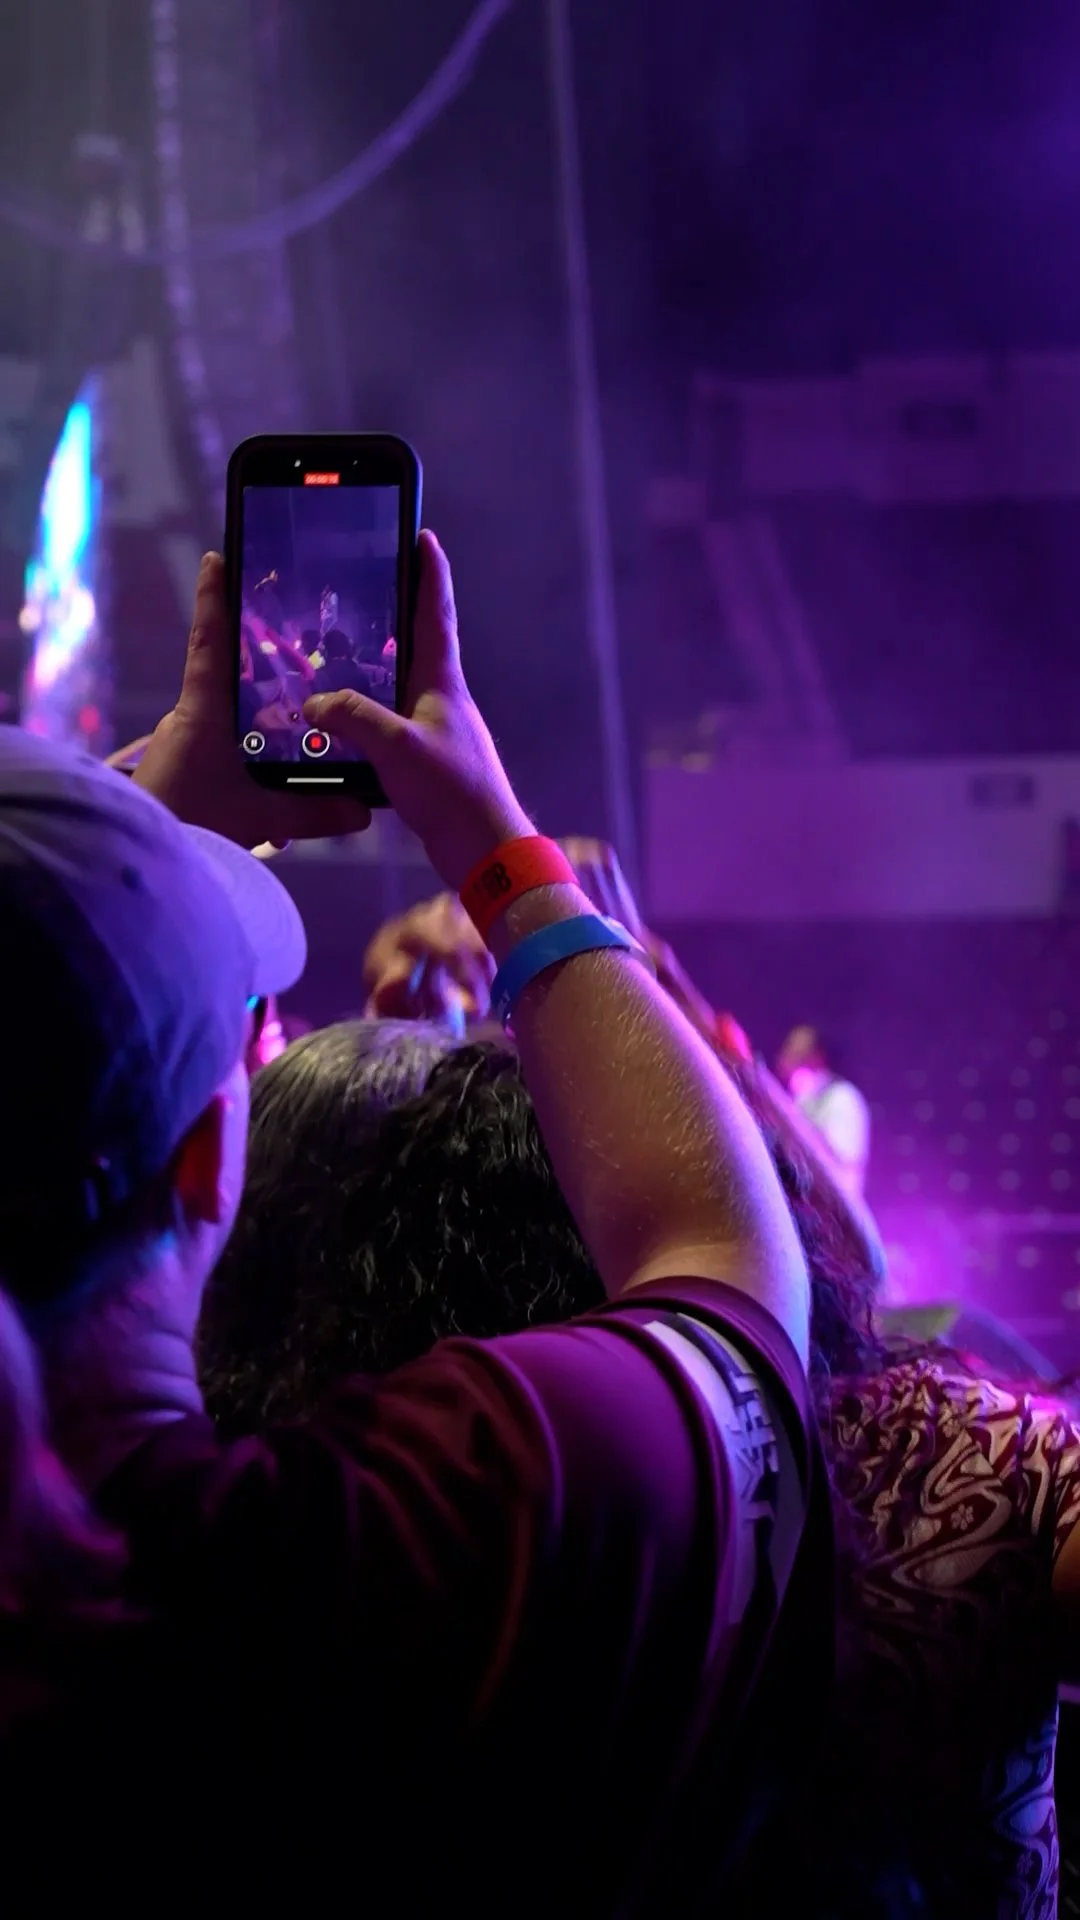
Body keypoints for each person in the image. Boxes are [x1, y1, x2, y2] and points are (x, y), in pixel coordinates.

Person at [0, 533, 829, 1911]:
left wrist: (121, 839)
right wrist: (501, 856)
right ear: (215, 1161)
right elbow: (727, 1270)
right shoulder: (412, 1541)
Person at [356, 871, 1080, 1917]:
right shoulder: (963, 1453)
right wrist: (620, 962)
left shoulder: (428, 1474)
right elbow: (849, 1254)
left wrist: (401, 1046)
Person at [776, 1024, 871, 1201]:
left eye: (797, 1048)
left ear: (817, 1056)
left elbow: (839, 1163)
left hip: (830, 1215)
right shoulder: (800, 1099)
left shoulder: (842, 1097)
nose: (787, 1053)